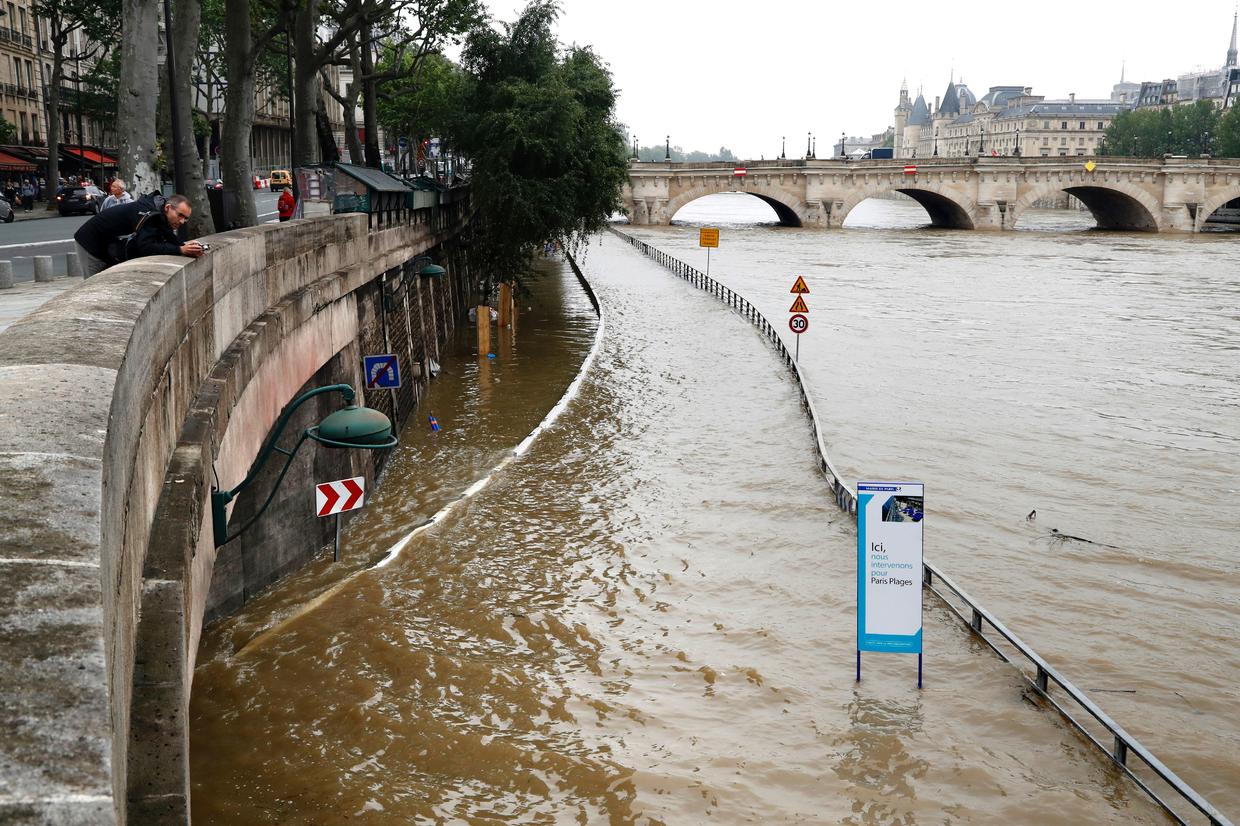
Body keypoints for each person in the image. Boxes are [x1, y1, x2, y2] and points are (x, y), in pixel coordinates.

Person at [73, 193, 205, 278]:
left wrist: (183, 245)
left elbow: (166, 232)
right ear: (168, 208)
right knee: (94, 286)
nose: (182, 221)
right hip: (89, 242)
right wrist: (180, 249)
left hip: (107, 243)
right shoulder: (149, 213)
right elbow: (146, 247)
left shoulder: (158, 211)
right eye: (180, 215)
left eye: (185, 218)